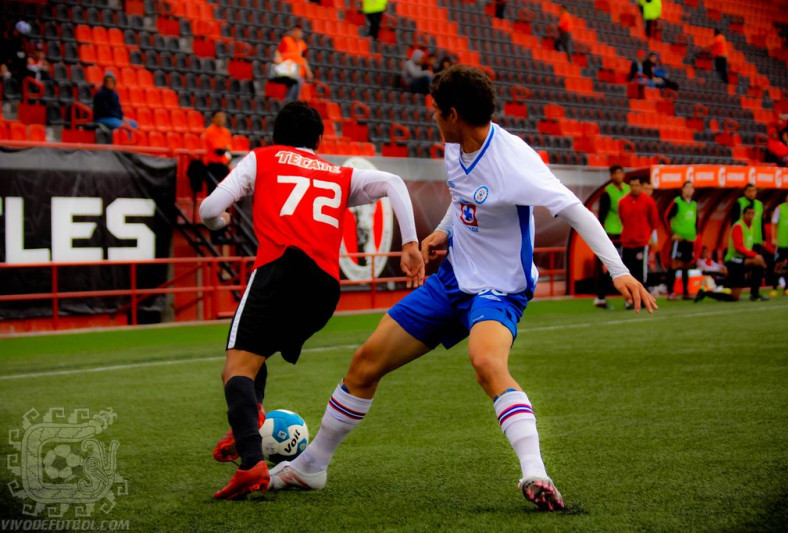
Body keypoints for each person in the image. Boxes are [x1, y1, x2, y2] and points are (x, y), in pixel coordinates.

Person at [267, 66, 656, 511]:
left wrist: (618, 270)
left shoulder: (514, 160)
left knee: (487, 363)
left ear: (453, 114)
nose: (432, 118)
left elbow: (574, 210)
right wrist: (443, 232)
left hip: (498, 289)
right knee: (365, 364)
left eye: (437, 111)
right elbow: (463, 194)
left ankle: (536, 473)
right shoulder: (456, 146)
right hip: (450, 281)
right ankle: (312, 465)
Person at [200, 101, 424, 499]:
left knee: (236, 367)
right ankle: (250, 418)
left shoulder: (262, 159)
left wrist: (221, 222)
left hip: (279, 271)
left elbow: (208, 209)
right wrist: (409, 243)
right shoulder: (339, 174)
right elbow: (394, 183)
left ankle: (251, 462)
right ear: (319, 140)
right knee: (256, 356)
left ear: (275, 136)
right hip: (323, 290)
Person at [696, 206, 766, 302]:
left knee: (735, 296)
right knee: (757, 262)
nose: (751, 216)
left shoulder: (752, 227)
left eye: (753, 213)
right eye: (749, 213)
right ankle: (706, 292)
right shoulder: (738, 226)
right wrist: (754, 255)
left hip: (742, 260)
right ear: (744, 215)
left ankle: (755, 293)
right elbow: (738, 247)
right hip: (734, 260)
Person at [618, 176, 659, 308]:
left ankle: (642, 300)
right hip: (627, 242)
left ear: (640, 186)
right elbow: (622, 218)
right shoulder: (623, 202)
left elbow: (653, 221)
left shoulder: (648, 201)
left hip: (641, 243)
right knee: (627, 273)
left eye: (636, 185)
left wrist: (645, 235)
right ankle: (629, 300)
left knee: (641, 272)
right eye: (632, 185)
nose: (634, 188)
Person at [594, 165, 630, 309]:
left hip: (626, 233)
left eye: (620, 173)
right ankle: (601, 297)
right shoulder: (607, 193)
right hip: (612, 233)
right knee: (610, 267)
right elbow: (602, 215)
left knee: (627, 266)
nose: (618, 176)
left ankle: (629, 298)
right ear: (611, 176)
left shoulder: (628, 190)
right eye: (615, 173)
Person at [665, 181, 698, 300]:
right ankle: (670, 292)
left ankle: (685, 292)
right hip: (678, 239)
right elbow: (666, 216)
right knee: (674, 264)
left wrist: (695, 234)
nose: (689, 190)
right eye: (687, 187)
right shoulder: (677, 202)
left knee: (686, 265)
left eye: (691, 187)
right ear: (682, 189)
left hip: (689, 239)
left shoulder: (694, 204)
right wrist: (672, 233)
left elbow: (696, 221)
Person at [769, 191, 788, 296]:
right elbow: (774, 223)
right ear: (786, 198)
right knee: (778, 265)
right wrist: (774, 238)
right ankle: (774, 288)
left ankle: (786, 288)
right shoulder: (780, 209)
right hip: (782, 243)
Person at [273, 24, 313, 102]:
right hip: (288, 69)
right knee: (293, 87)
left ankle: (291, 103)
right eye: (296, 31)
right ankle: (288, 103)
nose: (298, 33)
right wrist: (278, 59)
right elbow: (278, 52)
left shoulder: (302, 45)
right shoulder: (286, 40)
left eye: (299, 32)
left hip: (299, 71)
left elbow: (304, 59)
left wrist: (308, 71)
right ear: (292, 32)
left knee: (296, 90)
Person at [203, 110, 233, 189]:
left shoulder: (226, 132)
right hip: (214, 165)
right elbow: (218, 151)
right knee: (213, 190)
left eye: (223, 117)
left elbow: (228, 150)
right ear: (213, 118)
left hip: (224, 165)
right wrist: (226, 149)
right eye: (219, 116)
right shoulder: (209, 131)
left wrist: (228, 159)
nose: (221, 119)